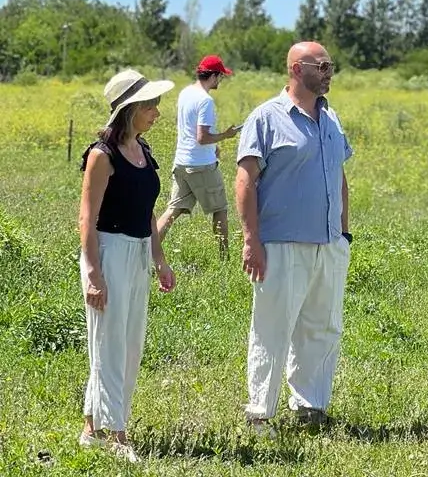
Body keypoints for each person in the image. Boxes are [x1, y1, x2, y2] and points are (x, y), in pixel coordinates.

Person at [234, 41, 353, 434]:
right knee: (273, 327)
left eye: (330, 65)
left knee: (323, 326)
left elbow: (339, 175)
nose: (329, 71)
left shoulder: (330, 118)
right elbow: (246, 180)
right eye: (323, 65)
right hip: (281, 244)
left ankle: (310, 405)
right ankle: (259, 413)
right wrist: (251, 240)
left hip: (329, 243)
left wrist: (344, 234)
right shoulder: (266, 118)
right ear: (297, 69)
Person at [78, 68, 177, 463]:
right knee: (109, 342)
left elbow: (147, 211)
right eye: (151, 105)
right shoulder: (102, 155)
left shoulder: (144, 149)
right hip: (110, 251)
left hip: (136, 252)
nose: (157, 111)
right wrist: (93, 272)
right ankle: (118, 435)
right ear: (130, 109)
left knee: (128, 343)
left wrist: (159, 259)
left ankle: (91, 427)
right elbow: (87, 217)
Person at [157, 55, 239, 258]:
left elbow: (190, 131)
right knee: (220, 209)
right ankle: (224, 258)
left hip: (182, 163)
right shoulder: (206, 101)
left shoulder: (185, 93)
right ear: (214, 76)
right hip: (201, 166)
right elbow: (202, 137)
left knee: (172, 211)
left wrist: (214, 149)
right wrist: (225, 136)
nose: (220, 81)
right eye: (220, 76)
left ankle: (150, 251)